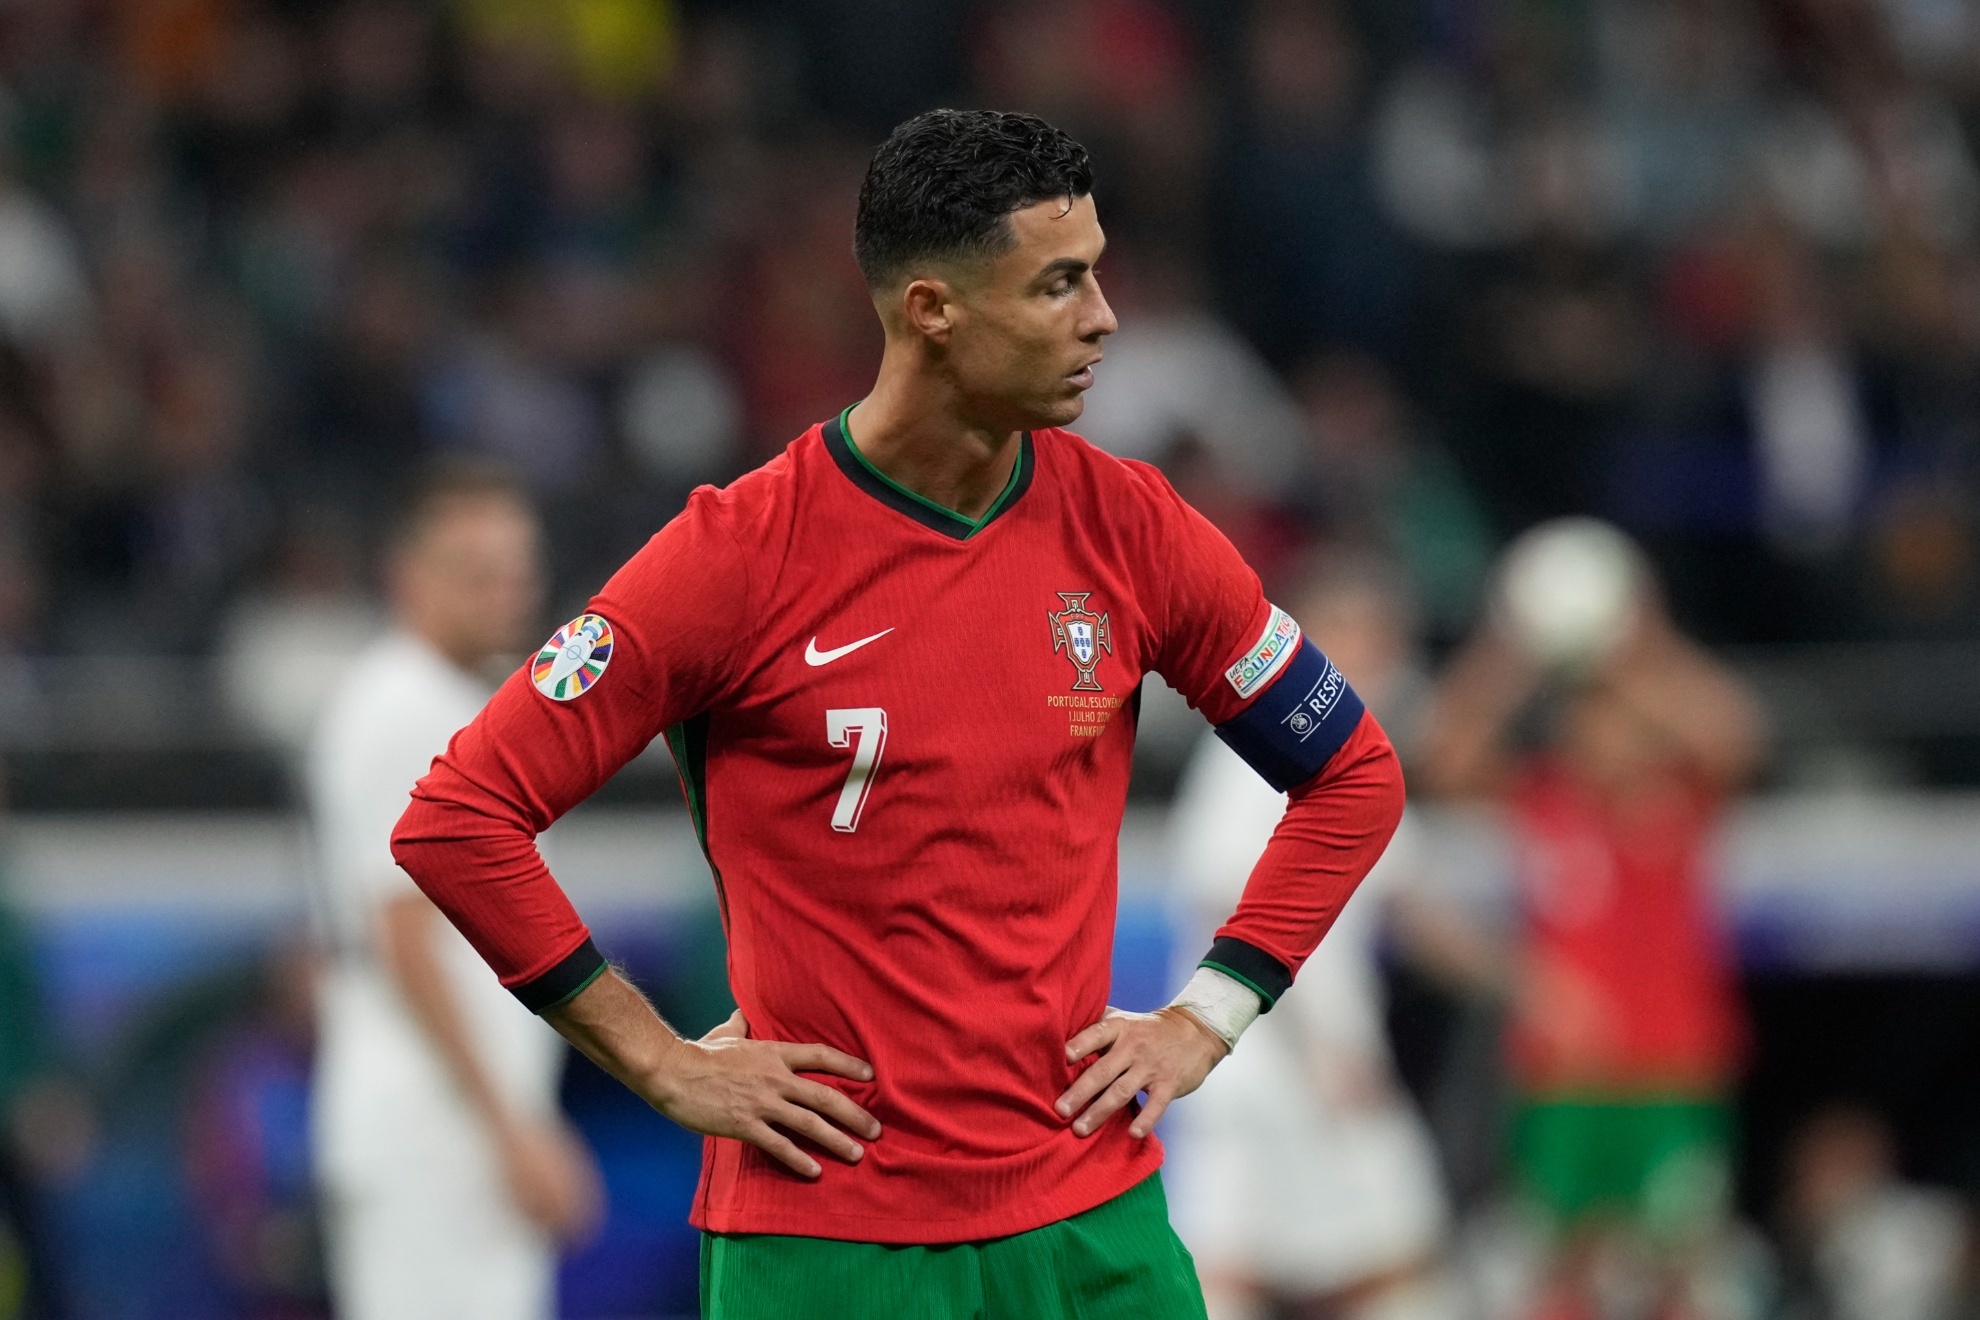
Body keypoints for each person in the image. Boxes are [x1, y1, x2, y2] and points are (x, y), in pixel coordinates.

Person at [391, 109, 1406, 1319]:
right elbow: (459, 819)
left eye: (1099, 276)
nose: (1104, 320)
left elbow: (1354, 773)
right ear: (932, 310)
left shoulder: (1132, 528)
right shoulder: (740, 557)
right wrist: (657, 1061)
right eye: (1059, 285)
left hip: (1095, 1227)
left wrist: (1209, 1014)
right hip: (830, 1245)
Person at [1418, 521, 1765, 1320]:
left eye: (1616, 718)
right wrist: (1513, 649)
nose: (1598, 733)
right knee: (1559, 1266)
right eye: (1586, 717)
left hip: (1675, 1064)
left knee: (1680, 1266)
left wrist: (1644, 643)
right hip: (1564, 1069)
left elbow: (1736, 731)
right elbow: (1444, 755)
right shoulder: (1546, 801)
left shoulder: (1684, 798)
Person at [309, 464, 601, 1320]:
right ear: (410, 577)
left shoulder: (446, 703)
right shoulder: (402, 708)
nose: (504, 593)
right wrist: (509, 1126)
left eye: (516, 570)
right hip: (432, 1128)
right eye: (476, 571)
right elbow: (405, 937)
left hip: (448, 1125)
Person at [1165, 560, 1465, 1320]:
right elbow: (1237, 909)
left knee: (1383, 1266)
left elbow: (1411, 905)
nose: (1387, 661)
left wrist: (1523, 981)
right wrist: (1324, 1046)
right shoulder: (1247, 754)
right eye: (1369, 641)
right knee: (1237, 1281)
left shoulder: (1354, 755)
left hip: (1321, 1061)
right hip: (1255, 1063)